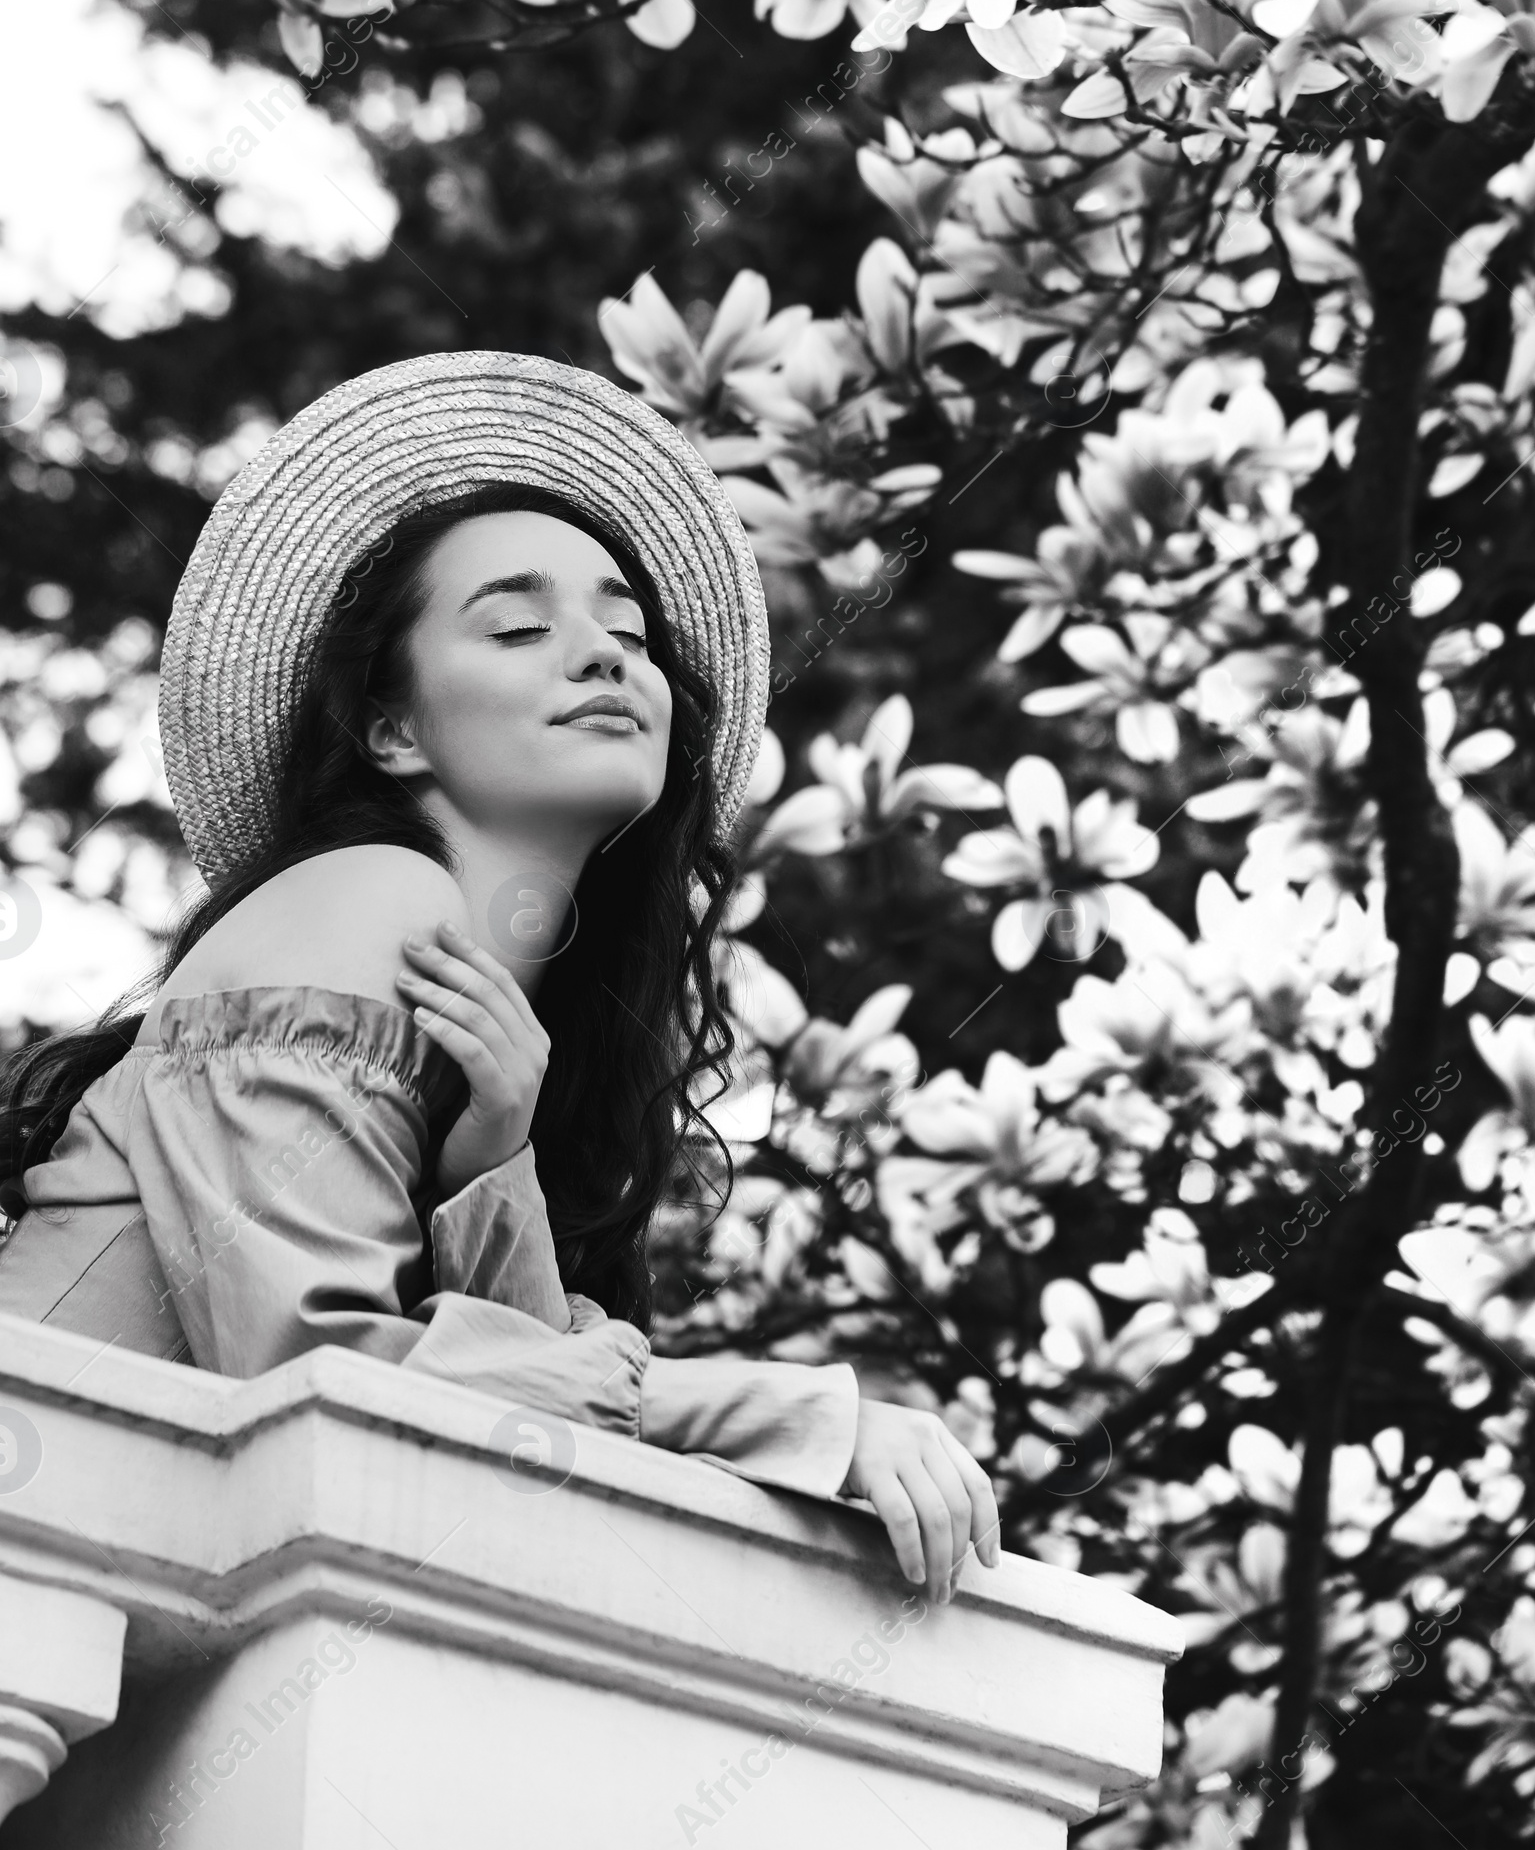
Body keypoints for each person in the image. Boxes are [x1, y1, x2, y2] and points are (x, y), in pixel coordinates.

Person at [0, 350, 997, 1605]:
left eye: (629, 635)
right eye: (520, 627)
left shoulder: (482, 1044)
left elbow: (502, 1468)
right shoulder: (366, 895)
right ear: (391, 729)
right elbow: (321, 1376)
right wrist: (794, 1417)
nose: (604, 659)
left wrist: (489, 1167)